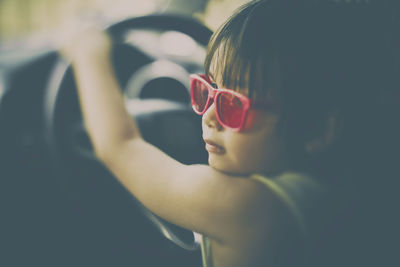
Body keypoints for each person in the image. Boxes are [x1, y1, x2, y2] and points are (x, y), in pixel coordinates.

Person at [61, 0, 399, 266]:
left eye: (233, 105)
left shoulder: (248, 209)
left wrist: (88, 53)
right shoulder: (363, 187)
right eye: (207, 90)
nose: (208, 116)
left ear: (319, 130)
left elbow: (120, 146)